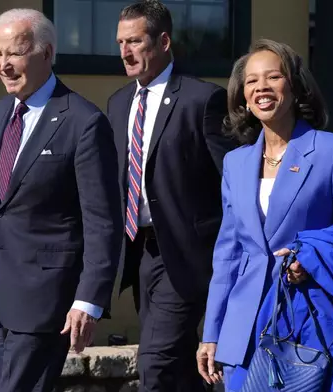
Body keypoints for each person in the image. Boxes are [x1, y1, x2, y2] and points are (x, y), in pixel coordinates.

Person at [0, 8, 123, 391]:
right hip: (3, 302)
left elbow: (103, 223)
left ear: (47, 53)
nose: (3, 65)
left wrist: (88, 300)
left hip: (48, 302)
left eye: (14, 54)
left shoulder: (83, 122)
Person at [197, 39, 333, 391]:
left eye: (273, 77)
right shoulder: (236, 163)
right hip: (244, 324)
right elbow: (228, 253)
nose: (261, 87)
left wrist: (313, 256)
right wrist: (212, 331)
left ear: (294, 86)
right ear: (243, 97)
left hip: (313, 319)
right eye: (251, 81)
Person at [107, 1, 234, 391]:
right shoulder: (118, 103)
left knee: (155, 363)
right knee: (178, 368)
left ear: (163, 41)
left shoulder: (202, 100)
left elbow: (233, 182)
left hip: (187, 254)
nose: (125, 52)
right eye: (120, 42)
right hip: (141, 253)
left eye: (135, 41)